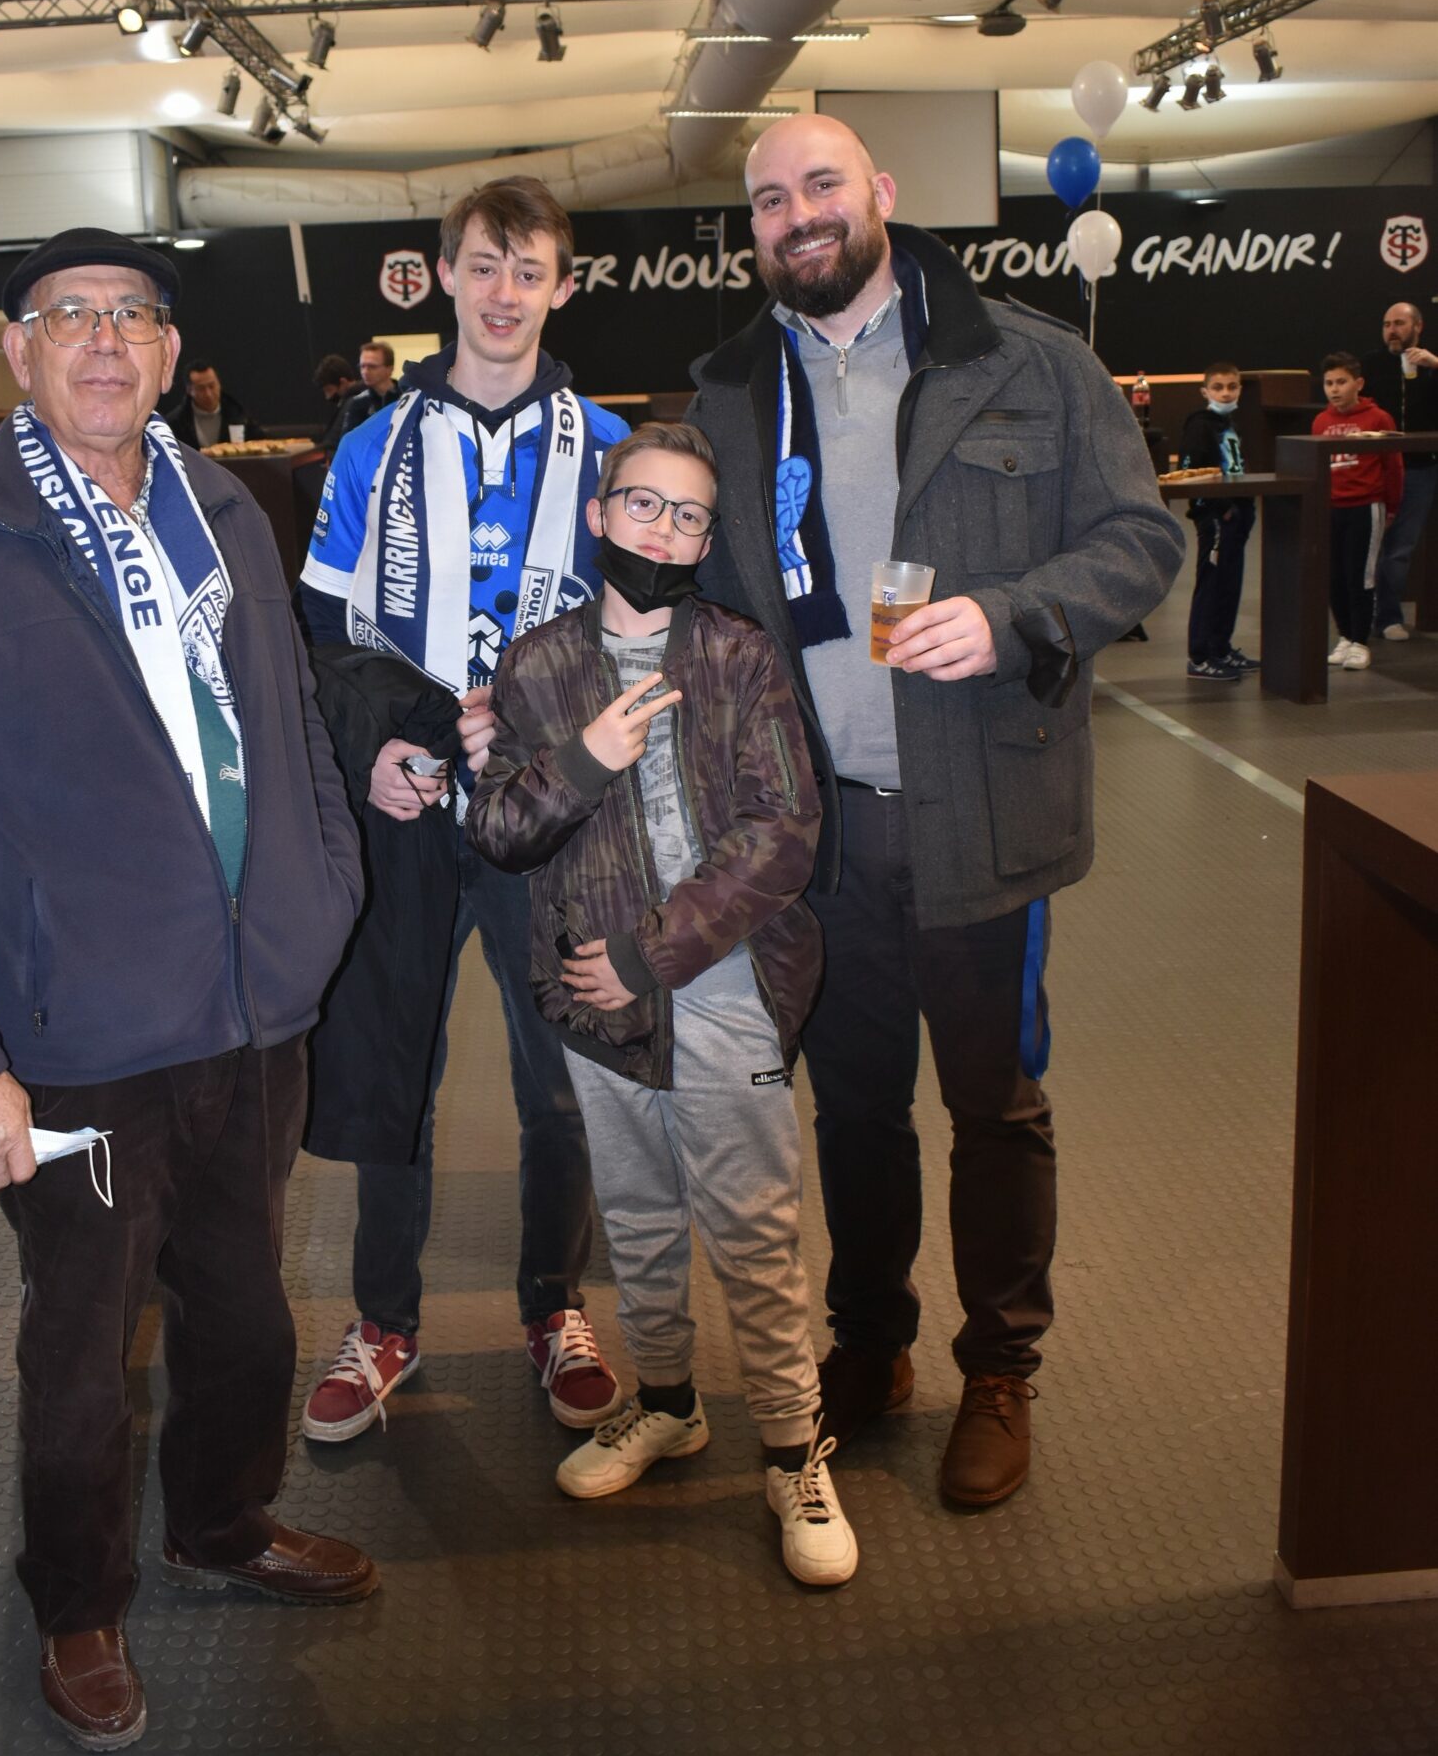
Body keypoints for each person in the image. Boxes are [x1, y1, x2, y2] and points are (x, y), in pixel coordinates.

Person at [0, 224, 372, 1754]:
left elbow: (287, 717)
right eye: (67, 315)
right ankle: (75, 1601)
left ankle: (222, 1523)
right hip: (75, 1040)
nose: (102, 340)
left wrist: (319, 893)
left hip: (249, 1009)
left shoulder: (229, 509)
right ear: (18, 350)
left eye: (131, 315)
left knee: (245, 1313)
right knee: (81, 1349)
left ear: (168, 352)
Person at [688, 115, 1184, 1508]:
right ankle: (873, 1343)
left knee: (992, 1103)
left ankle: (1000, 1369)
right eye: (769, 198)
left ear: (882, 195)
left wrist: (1013, 613)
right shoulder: (730, 396)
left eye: (822, 184)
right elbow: (694, 599)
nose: (799, 214)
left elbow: (1141, 539)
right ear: (751, 228)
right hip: (820, 829)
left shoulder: (1028, 359)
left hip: (980, 811)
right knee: (854, 1109)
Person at [468, 423, 857, 1585]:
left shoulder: (736, 655)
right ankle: (670, 1404)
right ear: (600, 515)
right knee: (637, 1222)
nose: (664, 531)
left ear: (704, 538)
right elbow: (500, 831)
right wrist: (585, 757)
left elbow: (783, 831)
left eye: (688, 516)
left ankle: (793, 1449)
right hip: (592, 998)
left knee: (753, 1233)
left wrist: (653, 950)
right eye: (644, 505)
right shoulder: (538, 666)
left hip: (718, 986)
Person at [297, 179, 630, 1441]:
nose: (503, 293)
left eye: (528, 270)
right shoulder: (371, 447)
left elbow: (651, 630)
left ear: (563, 287)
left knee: (562, 1080)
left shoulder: (611, 449)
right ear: (444, 274)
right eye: (483, 266)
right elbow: (325, 635)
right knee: (395, 1073)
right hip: (414, 810)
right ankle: (385, 1320)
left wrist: (549, 732)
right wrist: (377, 746)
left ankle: (555, 1307)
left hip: (553, 821)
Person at [1315, 350, 1402, 671]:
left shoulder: (1378, 419)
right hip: (1331, 508)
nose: (1335, 389)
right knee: (1334, 576)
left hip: (1365, 507)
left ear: (1359, 383)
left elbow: (1393, 467)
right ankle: (1345, 636)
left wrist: (1391, 507)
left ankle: (1361, 642)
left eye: (1341, 382)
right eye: (1329, 383)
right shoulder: (1321, 422)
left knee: (1359, 576)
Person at [1178, 363, 1260, 681]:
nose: (1226, 393)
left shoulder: (1231, 424)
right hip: (1214, 516)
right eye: (1218, 387)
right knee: (1211, 584)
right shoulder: (1199, 426)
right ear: (1205, 391)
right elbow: (1191, 472)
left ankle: (1221, 647)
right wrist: (1218, 507)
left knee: (1230, 583)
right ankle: (1200, 656)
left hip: (1237, 514)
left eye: (1232, 386)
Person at [1366, 300, 1438, 640]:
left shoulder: (1432, 364)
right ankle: (1360, 616)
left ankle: (1388, 617)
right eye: (1387, 324)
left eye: (1399, 323)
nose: (1392, 330)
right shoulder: (1371, 364)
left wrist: (1435, 365)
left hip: (1421, 468)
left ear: (1417, 327)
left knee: (1400, 548)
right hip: (1376, 468)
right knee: (1369, 545)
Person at [168, 357, 264, 448]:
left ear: (219, 384)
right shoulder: (176, 422)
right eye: (201, 388)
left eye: (212, 386)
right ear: (189, 390)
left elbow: (261, 442)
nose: (208, 394)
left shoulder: (238, 414)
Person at [335, 339, 403, 440]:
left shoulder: (406, 397)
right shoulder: (357, 403)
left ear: (389, 369)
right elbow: (348, 440)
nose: (365, 372)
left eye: (372, 366)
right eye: (362, 366)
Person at [313, 352, 363, 450]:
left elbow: (333, 441)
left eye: (329, 390)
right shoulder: (352, 401)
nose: (327, 397)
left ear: (343, 382)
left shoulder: (352, 404)